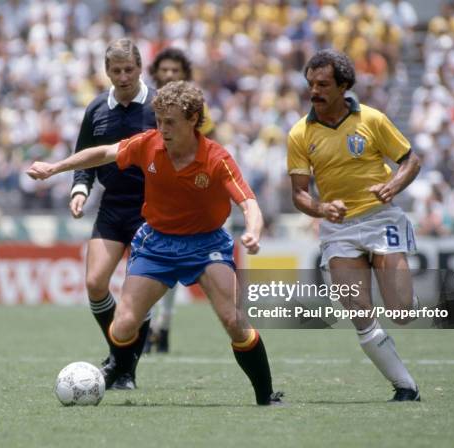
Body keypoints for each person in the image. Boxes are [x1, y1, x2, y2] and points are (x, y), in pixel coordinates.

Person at [28, 81, 284, 406]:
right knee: (122, 327)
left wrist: (253, 231)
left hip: (207, 246)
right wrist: (56, 168)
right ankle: (120, 370)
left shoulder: (217, 159)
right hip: (157, 243)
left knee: (234, 320)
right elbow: (104, 152)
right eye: (159, 120)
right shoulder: (148, 145)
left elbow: (249, 202)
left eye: (170, 122)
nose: (162, 128)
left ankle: (267, 396)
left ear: (193, 120)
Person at [287, 49, 422, 402]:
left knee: (403, 312)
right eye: (310, 84)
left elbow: (411, 160)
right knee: (360, 315)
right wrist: (320, 209)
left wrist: (393, 185)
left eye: (323, 84)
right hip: (339, 229)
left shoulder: (372, 120)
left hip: (381, 220)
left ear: (344, 86)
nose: (314, 91)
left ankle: (405, 294)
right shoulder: (300, 133)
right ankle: (405, 387)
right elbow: (299, 194)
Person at [69, 38, 156, 390]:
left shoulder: (157, 106)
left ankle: (125, 370)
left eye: (129, 69)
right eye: (116, 70)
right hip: (112, 207)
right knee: (95, 283)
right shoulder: (95, 110)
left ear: (140, 68)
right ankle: (117, 355)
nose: (123, 76)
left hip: (152, 209)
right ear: (106, 72)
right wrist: (79, 189)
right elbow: (84, 158)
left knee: (137, 295)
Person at [143, 47, 215, 353]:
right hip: (148, 186)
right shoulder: (145, 105)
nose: (170, 75)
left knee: (171, 261)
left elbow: (207, 147)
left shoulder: (198, 111)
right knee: (146, 260)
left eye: (176, 71)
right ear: (156, 73)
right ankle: (146, 327)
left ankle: (164, 325)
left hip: (183, 192)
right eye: (165, 70)